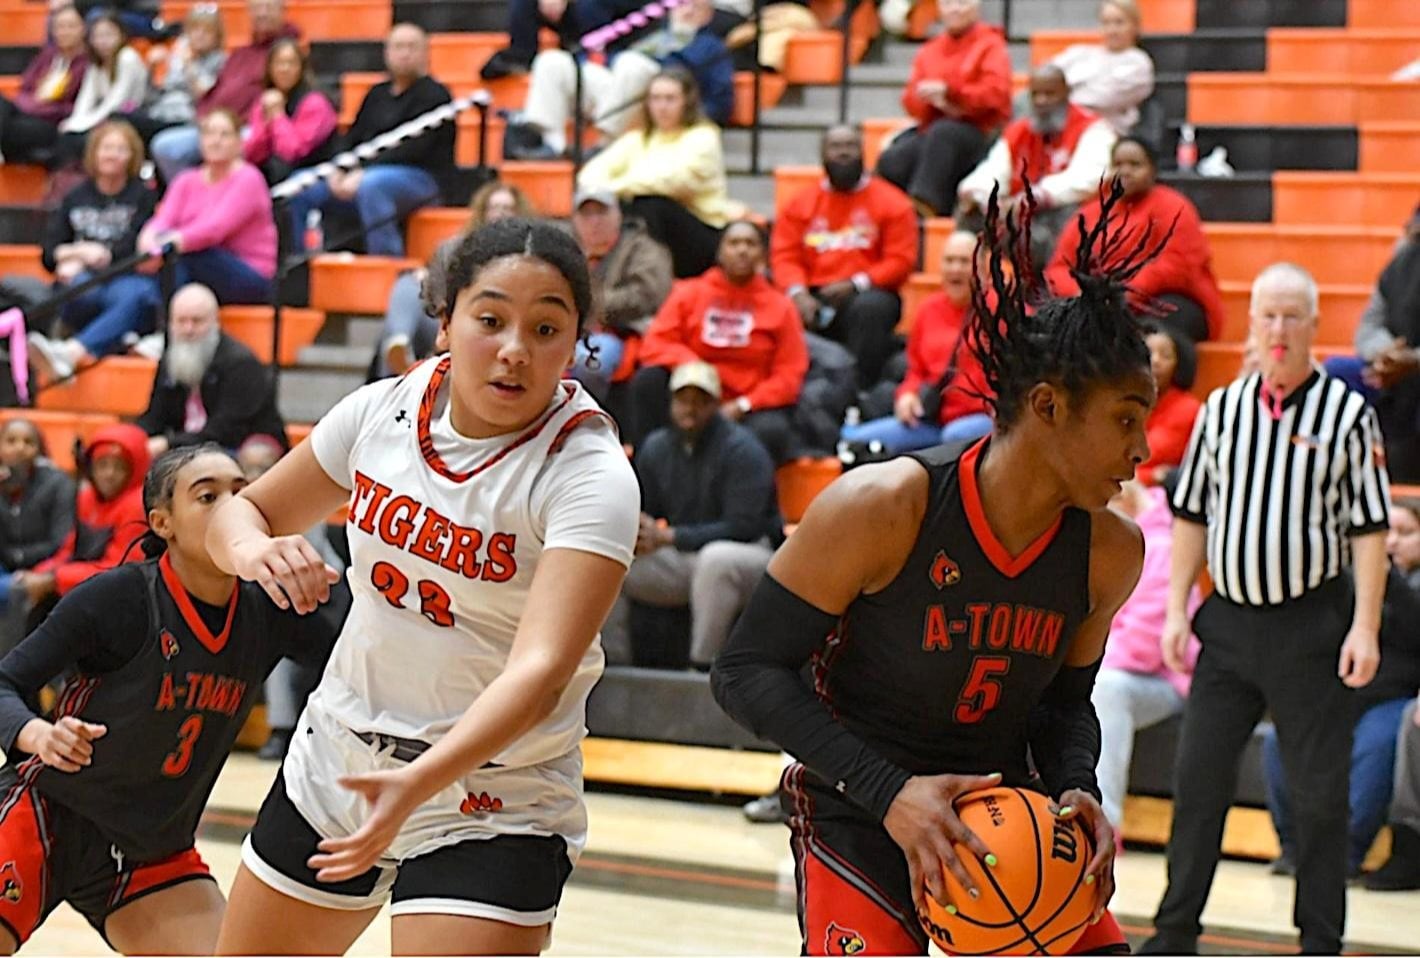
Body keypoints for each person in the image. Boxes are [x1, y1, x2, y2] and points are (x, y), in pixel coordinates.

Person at [713, 184, 1158, 956]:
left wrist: (1077, 784)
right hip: (861, 806)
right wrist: (889, 794)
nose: (1142, 448)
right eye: (1125, 418)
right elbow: (746, 670)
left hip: (1007, 809)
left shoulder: (1111, 552)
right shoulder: (886, 505)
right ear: (1049, 407)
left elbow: (1063, 708)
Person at [206, 218, 640, 955]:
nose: (514, 350)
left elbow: (539, 673)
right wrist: (255, 552)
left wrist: (421, 782)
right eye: (492, 319)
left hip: (496, 793)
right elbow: (241, 511)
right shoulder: (382, 411)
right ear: (444, 320)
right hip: (341, 758)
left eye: (544, 329)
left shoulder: (590, 475)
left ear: (575, 347)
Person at [0, 444, 338, 954]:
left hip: (151, 849)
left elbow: (358, 667)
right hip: (50, 811)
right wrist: (38, 733)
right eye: (208, 496)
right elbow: (5, 683)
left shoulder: (272, 608)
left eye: (240, 494)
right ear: (162, 523)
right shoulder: (120, 597)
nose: (230, 508)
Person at [1142, 262, 1391, 956]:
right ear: (1251, 324)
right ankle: (1173, 930)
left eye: (1291, 317)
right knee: (1198, 785)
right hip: (1228, 626)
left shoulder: (1347, 413)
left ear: (1313, 325)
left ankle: (1320, 940)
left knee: (1318, 798)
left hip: (1311, 626)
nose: (1278, 330)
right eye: (1267, 316)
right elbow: (1191, 514)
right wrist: (1172, 610)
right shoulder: (1221, 409)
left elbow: (1370, 530)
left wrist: (1365, 625)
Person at [1261, 498, 1420, 880]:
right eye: (1385, 534)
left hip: (1395, 698)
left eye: (1405, 533)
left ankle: (1345, 854)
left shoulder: (1408, 586)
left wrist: (1388, 580)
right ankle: (1293, 846)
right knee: (1276, 737)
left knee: (1377, 745)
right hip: (1338, 692)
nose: (1392, 542)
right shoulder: (1345, 578)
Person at [604, 361, 781, 669]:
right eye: (683, 400)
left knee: (716, 560)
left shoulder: (743, 449)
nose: (690, 408)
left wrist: (671, 536)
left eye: (701, 401)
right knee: (607, 559)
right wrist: (636, 529)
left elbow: (745, 526)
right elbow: (647, 508)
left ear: (716, 404)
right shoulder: (657, 447)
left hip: (751, 556)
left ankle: (701, 671)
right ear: (671, 402)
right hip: (685, 557)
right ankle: (612, 665)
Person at [631, 220, 808, 462]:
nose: (742, 250)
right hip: (690, 392)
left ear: (763, 255)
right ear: (720, 252)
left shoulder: (781, 306)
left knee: (773, 430)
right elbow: (655, 344)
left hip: (745, 404)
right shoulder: (689, 293)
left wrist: (745, 404)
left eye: (751, 243)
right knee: (647, 381)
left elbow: (789, 375)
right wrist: (697, 372)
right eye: (734, 243)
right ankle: (645, 476)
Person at [284, 24, 454, 258]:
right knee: (300, 184)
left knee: (373, 185)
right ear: (386, 53)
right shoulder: (376, 93)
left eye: (412, 47)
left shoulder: (436, 95)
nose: (404, 53)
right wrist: (338, 169)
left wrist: (362, 171)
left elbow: (414, 149)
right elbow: (352, 138)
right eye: (398, 47)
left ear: (426, 53)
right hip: (363, 175)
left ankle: (386, 262)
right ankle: (302, 261)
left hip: (421, 179)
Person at [770, 125, 919, 389]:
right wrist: (798, 293)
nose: (843, 153)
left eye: (850, 146)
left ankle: (857, 391)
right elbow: (784, 255)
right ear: (822, 154)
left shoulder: (894, 202)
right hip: (812, 293)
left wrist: (856, 283)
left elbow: (901, 259)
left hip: (865, 293)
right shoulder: (800, 203)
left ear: (863, 153)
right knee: (778, 305)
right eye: (835, 147)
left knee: (872, 308)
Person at [1092, 478, 1199, 833]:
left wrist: (1081, 663)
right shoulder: (1107, 542)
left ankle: (1104, 823)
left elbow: (1145, 646)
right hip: (1112, 663)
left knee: (1104, 688)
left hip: (1165, 679)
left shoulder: (1164, 547)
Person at [234, 434, 346, 762]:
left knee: (279, 640)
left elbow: (297, 569)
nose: (255, 475)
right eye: (249, 468)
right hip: (261, 597)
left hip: (319, 596)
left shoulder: (299, 501)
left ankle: (281, 731)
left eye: (264, 467)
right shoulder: (231, 509)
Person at [1047, 137, 1225, 342]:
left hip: (1164, 300)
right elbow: (1059, 268)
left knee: (1154, 323)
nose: (1125, 171)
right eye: (1118, 164)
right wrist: (1080, 293)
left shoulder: (1174, 206)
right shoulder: (1090, 213)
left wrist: (1124, 293)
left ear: (1153, 170)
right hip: (1098, 304)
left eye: (1135, 165)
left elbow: (1178, 265)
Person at [23, 120, 159, 382]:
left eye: (121, 149)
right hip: (83, 280)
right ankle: (115, 336)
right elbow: (49, 254)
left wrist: (98, 256)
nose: (112, 155)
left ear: (132, 156)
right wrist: (79, 253)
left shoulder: (142, 196)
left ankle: (70, 353)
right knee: (80, 287)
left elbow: (134, 248)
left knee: (139, 295)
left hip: (124, 279)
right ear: (94, 153)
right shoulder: (75, 197)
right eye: (107, 148)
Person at [509, 0, 733, 159]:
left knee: (632, 64)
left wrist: (687, 113)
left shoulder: (712, 47)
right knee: (553, 61)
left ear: (710, 14)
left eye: (697, 5)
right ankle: (552, 145)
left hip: (653, 103)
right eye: (682, 3)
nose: (688, 10)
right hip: (614, 89)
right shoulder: (647, 29)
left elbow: (721, 101)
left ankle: (604, 145)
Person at [840, 230, 993, 454]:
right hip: (931, 419)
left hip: (979, 420)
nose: (955, 269)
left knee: (955, 435)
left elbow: (1018, 380)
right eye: (949, 261)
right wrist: (908, 396)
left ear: (982, 267)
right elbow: (916, 370)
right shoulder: (928, 309)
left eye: (963, 261)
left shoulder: (1004, 313)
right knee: (852, 438)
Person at [958, 65, 1116, 269]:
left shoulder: (1093, 128)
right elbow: (991, 171)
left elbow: (1090, 178)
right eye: (1036, 95)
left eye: (1049, 94)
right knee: (971, 210)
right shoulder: (1020, 130)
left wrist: (1033, 197)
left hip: (1062, 216)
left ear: (1066, 94)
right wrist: (984, 198)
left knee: (1066, 214)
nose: (1042, 101)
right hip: (1021, 218)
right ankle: (973, 284)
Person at [577, 69, 730, 279]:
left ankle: (647, 275)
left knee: (649, 204)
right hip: (654, 224)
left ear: (686, 102)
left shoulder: (704, 136)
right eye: (656, 99)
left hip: (702, 235)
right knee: (596, 204)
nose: (662, 106)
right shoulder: (638, 139)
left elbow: (671, 181)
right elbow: (589, 175)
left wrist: (616, 187)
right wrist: (612, 190)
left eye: (670, 99)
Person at [377, 181, 537, 379]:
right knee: (407, 284)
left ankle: (402, 369)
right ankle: (399, 344)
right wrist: (426, 279)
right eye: (494, 208)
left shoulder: (529, 257)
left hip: (491, 325)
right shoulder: (454, 247)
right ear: (483, 213)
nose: (500, 214)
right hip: (446, 321)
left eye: (507, 208)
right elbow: (434, 296)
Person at [875, 0, 1011, 217]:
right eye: (948, 3)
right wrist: (929, 100)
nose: (955, 9)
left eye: (962, 3)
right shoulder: (930, 49)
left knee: (944, 134)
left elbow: (995, 96)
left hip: (980, 132)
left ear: (976, 6)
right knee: (893, 159)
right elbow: (910, 99)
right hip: (934, 129)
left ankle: (924, 207)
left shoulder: (991, 45)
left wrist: (952, 93)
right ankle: (891, 214)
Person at [13, 423, 151, 634]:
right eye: (102, 465)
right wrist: (41, 572)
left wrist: (53, 579)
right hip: (83, 587)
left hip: (121, 600)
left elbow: (119, 569)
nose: (109, 474)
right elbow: (70, 549)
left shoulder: (137, 504)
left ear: (135, 469)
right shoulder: (87, 497)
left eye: (119, 466)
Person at [149, 0, 302, 182]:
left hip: (249, 126)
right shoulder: (240, 53)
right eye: (257, 8)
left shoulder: (285, 52)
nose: (262, 14)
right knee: (165, 147)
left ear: (282, 11)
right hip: (211, 122)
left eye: (269, 7)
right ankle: (192, 199)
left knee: (239, 144)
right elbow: (215, 91)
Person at [138, 109, 278, 305]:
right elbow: (164, 219)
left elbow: (215, 229)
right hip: (196, 264)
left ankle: (165, 320)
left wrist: (172, 241)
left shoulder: (249, 178)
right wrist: (149, 238)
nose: (216, 141)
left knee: (189, 256)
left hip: (248, 273)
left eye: (225, 135)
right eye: (209, 134)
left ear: (239, 142)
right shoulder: (186, 180)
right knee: (151, 273)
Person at [136, 284, 288, 459]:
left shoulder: (241, 363)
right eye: (181, 321)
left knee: (255, 456)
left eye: (197, 321)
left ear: (215, 322)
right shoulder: (170, 360)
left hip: (236, 448)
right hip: (187, 447)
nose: (188, 329)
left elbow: (228, 429)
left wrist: (169, 443)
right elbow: (154, 417)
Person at [566, 188, 674, 404]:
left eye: (601, 213)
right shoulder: (565, 248)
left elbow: (648, 295)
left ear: (618, 216)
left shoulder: (643, 248)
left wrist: (591, 303)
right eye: (586, 214)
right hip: (568, 330)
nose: (594, 221)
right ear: (574, 220)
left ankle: (586, 418)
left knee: (591, 361)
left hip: (622, 332)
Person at [1337, 205, 1420, 483]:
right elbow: (1368, 326)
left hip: (1413, 369)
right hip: (1392, 371)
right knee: (1337, 374)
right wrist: (1384, 354)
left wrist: (1414, 361)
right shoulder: (1403, 260)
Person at [0, 419, 76, 656]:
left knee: (15, 591)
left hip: (45, 567)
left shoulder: (59, 484)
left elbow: (61, 541)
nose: (19, 448)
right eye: (11, 441)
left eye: (28, 442)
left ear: (39, 450)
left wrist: (20, 557)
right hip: (5, 565)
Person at [52, 11, 148, 169]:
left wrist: (84, 124)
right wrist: (74, 121)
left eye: (109, 35)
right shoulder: (97, 62)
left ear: (121, 35)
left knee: (86, 140)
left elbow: (116, 101)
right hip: (105, 117)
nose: (103, 41)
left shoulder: (127, 58)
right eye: (98, 36)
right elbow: (86, 96)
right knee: (67, 135)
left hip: (130, 117)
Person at [1047, 0, 1154, 135]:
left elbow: (1102, 98)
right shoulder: (1079, 52)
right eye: (1106, 23)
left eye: (1119, 23)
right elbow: (1045, 78)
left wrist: (1059, 94)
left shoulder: (1139, 63)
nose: (1112, 30)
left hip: (1105, 132)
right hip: (1061, 126)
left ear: (1135, 26)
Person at [241, 38, 338, 185]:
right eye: (279, 63)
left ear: (301, 68)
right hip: (275, 169)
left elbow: (292, 152)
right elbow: (252, 154)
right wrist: (266, 123)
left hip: (312, 171)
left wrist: (277, 116)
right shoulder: (264, 101)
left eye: (291, 63)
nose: (284, 69)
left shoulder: (316, 103)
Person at [124, 5, 226, 145]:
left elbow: (205, 96)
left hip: (186, 118)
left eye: (207, 31)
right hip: (160, 111)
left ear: (217, 36)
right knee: (119, 119)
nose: (200, 35)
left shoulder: (221, 61)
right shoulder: (178, 56)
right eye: (195, 29)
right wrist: (151, 69)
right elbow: (151, 97)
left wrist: (190, 66)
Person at [0, 5, 88, 165]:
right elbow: (25, 87)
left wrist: (40, 107)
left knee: (10, 127)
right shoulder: (48, 55)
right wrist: (31, 105)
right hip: (26, 112)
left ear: (83, 28)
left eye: (71, 26)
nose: (65, 32)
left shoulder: (88, 63)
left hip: (52, 123)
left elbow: (76, 106)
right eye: (60, 27)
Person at [1135, 322, 1200, 486]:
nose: (1155, 361)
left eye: (1165, 355)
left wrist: (1147, 477)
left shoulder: (1187, 409)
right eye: (1148, 353)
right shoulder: (1124, 400)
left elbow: (1143, 457)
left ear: (1179, 364)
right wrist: (1153, 476)